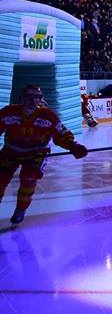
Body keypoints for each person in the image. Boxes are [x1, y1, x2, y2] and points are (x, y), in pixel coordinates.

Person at [0, 85, 87, 224]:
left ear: (41, 100)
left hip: (36, 154)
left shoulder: (49, 116)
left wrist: (73, 146)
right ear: (22, 98)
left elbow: (61, 134)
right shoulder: (8, 112)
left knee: (29, 178)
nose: (32, 101)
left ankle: (21, 209)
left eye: (36, 97)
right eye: (29, 97)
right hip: (10, 151)